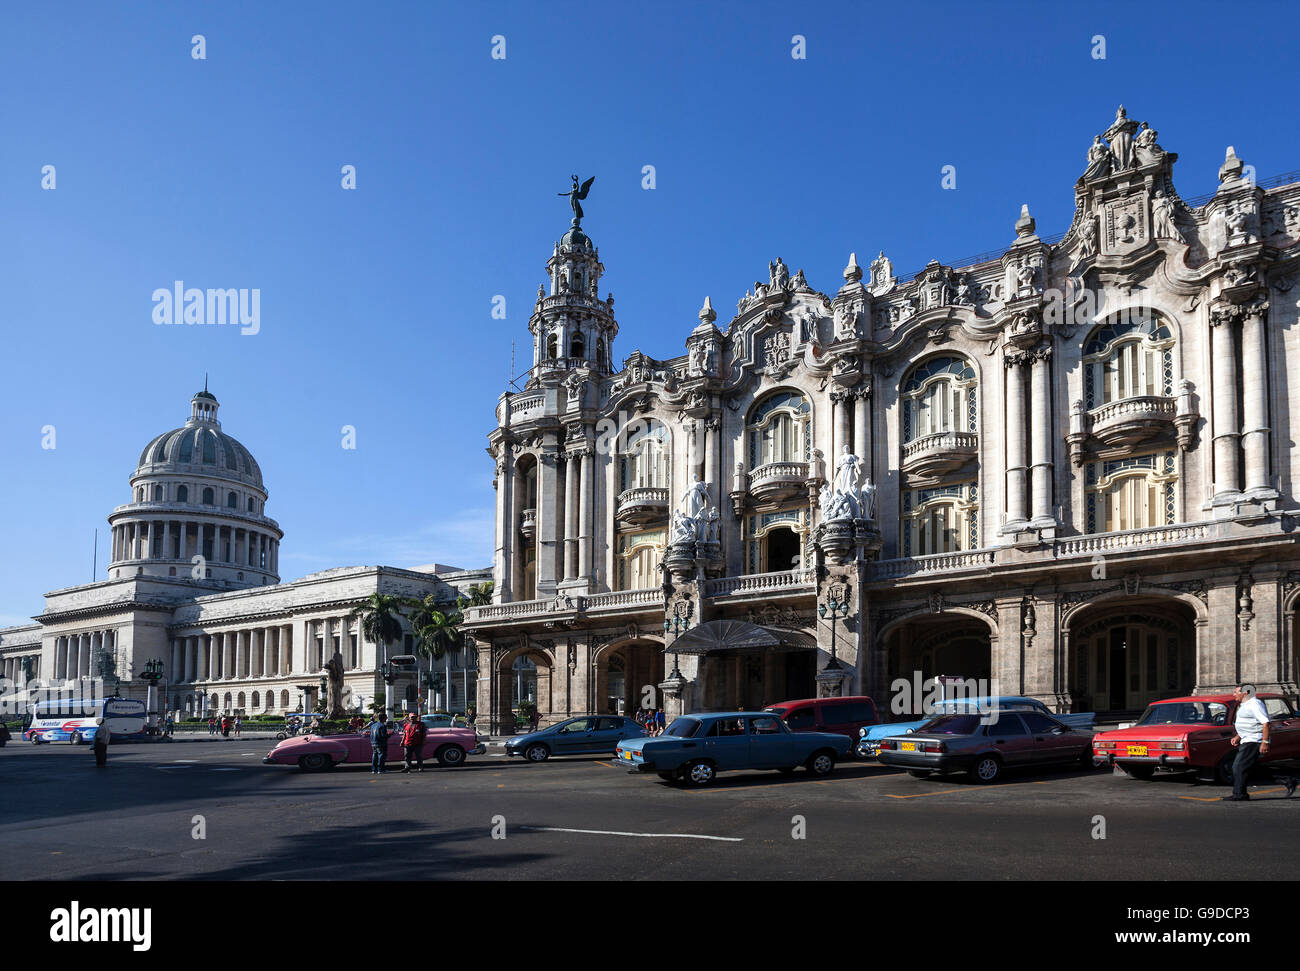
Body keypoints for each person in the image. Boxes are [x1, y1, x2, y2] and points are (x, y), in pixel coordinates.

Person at [1224, 684, 1272, 801]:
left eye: (1236, 692)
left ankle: (1240, 794)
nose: (1234, 694)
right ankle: (1287, 781)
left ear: (1245, 693)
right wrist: (1238, 736)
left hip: (1254, 740)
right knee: (1245, 767)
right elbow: (1249, 723)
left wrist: (1264, 742)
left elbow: (1266, 723)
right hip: (1246, 739)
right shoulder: (1245, 704)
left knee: (1238, 767)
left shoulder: (1255, 704)